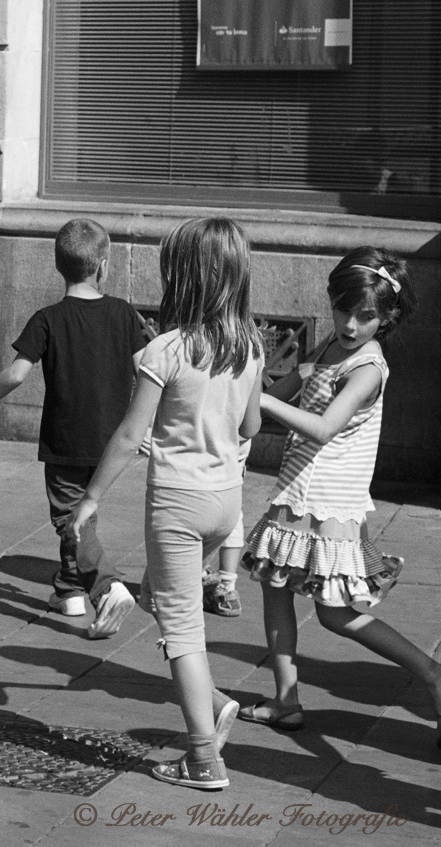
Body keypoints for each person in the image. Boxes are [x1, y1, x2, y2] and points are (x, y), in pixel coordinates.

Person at [71, 217, 265, 791]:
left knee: (181, 631)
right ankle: (216, 702)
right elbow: (252, 423)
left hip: (177, 503)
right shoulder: (250, 346)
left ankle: (203, 757)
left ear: (182, 280)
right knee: (163, 595)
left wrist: (90, 498)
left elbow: (131, 436)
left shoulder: (167, 350)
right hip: (225, 502)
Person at [239, 249, 439, 744]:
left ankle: (433, 674)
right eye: (342, 310)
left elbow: (325, 427)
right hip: (299, 491)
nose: (350, 324)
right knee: (277, 588)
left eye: (365, 315)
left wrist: (256, 397)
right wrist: (245, 379)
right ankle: (286, 700)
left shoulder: (369, 367)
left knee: (333, 612)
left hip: (325, 499)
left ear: (388, 316)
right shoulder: (333, 343)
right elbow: (285, 391)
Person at [0, 218, 146, 638]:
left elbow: (17, 375)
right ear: (104, 265)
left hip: (65, 442)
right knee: (85, 514)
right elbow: (148, 371)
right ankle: (68, 589)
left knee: (69, 518)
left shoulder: (47, 319)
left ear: (59, 266)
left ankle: (107, 585)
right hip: (112, 442)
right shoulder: (124, 313)